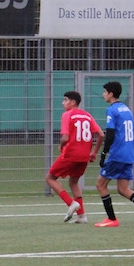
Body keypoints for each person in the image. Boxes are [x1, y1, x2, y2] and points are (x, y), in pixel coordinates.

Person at [93, 81, 134, 228]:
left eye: (105, 92)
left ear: (111, 94)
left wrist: (104, 153)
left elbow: (110, 133)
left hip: (118, 154)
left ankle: (111, 219)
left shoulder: (112, 110)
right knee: (123, 189)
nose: (103, 94)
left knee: (100, 184)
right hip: (128, 154)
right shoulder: (126, 109)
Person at [45, 91, 104, 224]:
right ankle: (82, 216)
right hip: (84, 156)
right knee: (74, 182)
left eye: (65, 100)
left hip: (71, 154)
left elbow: (65, 137)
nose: (63, 103)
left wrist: (61, 146)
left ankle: (71, 203)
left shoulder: (67, 115)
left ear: (73, 102)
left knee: (50, 177)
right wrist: (94, 152)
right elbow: (101, 134)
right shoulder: (87, 115)